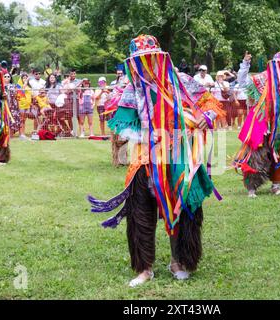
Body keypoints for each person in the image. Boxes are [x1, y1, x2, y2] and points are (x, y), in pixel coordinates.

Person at [88, 34, 224, 287]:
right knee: (140, 212)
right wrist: (146, 137)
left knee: (183, 205)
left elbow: (210, 103)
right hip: (145, 156)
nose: (146, 66)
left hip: (179, 155)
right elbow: (124, 122)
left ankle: (179, 261)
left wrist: (206, 116)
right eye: (140, 61)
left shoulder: (181, 82)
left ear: (160, 58)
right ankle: (144, 268)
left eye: (150, 59)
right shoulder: (133, 88)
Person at [233, 51, 280, 198]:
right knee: (257, 154)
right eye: (277, 64)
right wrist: (245, 63)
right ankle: (252, 187)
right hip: (260, 121)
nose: (279, 67)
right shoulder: (261, 79)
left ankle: (276, 184)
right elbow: (243, 81)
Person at [16, 73, 33, 140]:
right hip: (22, 105)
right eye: (24, 78)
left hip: (28, 105)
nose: (25, 79)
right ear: (21, 78)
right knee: (21, 119)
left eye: (26, 78)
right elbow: (22, 90)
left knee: (24, 120)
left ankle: (23, 133)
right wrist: (26, 81)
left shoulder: (29, 86)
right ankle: (21, 133)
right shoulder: (19, 86)